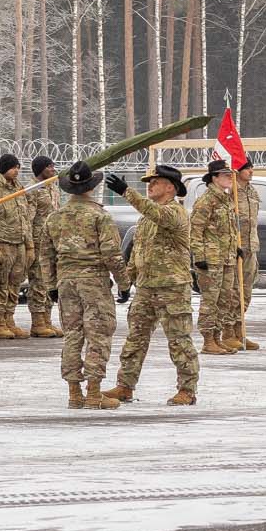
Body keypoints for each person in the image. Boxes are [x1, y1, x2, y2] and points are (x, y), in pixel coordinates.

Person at [106, 165, 198, 406]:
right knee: (135, 339)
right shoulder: (147, 218)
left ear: (170, 187)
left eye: (155, 182)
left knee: (179, 340)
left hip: (172, 288)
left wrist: (127, 192)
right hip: (146, 288)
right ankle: (125, 386)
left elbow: (158, 214)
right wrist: (126, 283)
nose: (150, 185)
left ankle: (187, 390)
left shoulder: (174, 212)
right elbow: (139, 252)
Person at [43, 163, 124, 409]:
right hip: (94, 282)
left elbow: (45, 255)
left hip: (66, 282)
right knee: (98, 335)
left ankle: (74, 392)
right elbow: (112, 254)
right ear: (91, 187)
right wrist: (124, 282)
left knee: (72, 335)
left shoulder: (54, 218)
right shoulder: (100, 216)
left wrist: (50, 285)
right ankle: (94, 392)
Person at [0, 154, 33, 339]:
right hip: (3, 243)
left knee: (14, 284)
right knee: (0, 284)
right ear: (3, 168)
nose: (16, 170)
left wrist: (29, 244)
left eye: (18, 167)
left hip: (18, 243)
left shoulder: (18, 188)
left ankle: (9, 319)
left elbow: (24, 218)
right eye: (12, 167)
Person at [192, 160, 240, 356]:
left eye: (230, 175)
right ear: (214, 178)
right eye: (225, 175)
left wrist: (236, 248)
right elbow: (195, 231)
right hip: (211, 259)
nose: (230, 178)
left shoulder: (227, 199)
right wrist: (199, 256)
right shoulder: (206, 201)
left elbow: (229, 229)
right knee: (210, 300)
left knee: (225, 299)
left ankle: (217, 338)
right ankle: (207, 340)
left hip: (226, 257)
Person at [24, 156, 61, 337]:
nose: (53, 169)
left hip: (52, 240)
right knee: (38, 280)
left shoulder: (52, 186)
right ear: (40, 169)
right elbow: (27, 219)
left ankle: (47, 318)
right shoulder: (33, 190)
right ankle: (37, 321)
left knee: (50, 279)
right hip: (38, 240)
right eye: (49, 166)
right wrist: (29, 243)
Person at [230, 161, 261, 352]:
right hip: (235, 249)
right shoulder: (230, 192)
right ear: (238, 170)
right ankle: (229, 334)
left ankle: (240, 331)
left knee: (246, 292)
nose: (251, 172)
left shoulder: (252, 191)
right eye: (248, 168)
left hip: (251, 247)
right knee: (233, 293)